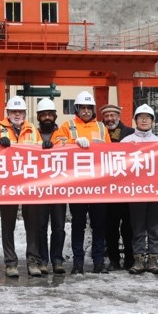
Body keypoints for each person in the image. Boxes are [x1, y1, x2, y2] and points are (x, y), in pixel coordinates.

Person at [0, 96, 43, 277]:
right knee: (8, 224)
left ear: (25, 114)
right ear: (8, 113)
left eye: (20, 112)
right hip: (7, 185)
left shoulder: (32, 129)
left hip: (29, 184)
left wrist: (47, 146)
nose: (17, 114)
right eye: (14, 111)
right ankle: (10, 263)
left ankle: (32, 261)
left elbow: (41, 151)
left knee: (32, 225)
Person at [57, 91, 108, 274]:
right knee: (78, 224)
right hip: (77, 184)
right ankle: (78, 263)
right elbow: (57, 145)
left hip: (97, 185)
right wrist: (73, 141)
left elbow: (109, 153)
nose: (86, 111)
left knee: (99, 225)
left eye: (89, 108)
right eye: (83, 108)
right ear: (77, 109)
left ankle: (99, 262)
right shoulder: (67, 126)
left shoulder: (102, 128)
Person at [122, 104, 158, 275]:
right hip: (135, 192)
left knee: (155, 227)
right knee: (137, 227)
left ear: (153, 121)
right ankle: (138, 260)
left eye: (148, 117)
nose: (144, 120)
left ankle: (153, 260)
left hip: (156, 192)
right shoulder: (126, 142)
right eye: (140, 117)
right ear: (135, 120)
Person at [35, 98, 68, 274]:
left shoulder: (63, 133)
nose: (47, 117)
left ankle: (57, 259)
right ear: (38, 117)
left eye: (50, 114)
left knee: (58, 226)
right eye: (43, 115)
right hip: (39, 189)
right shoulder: (32, 134)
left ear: (55, 116)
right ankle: (42, 260)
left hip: (58, 188)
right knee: (40, 227)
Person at [101, 102, 135, 271]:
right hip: (106, 189)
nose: (109, 119)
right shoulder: (99, 133)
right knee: (110, 226)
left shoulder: (130, 133)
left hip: (126, 187)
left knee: (128, 226)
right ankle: (113, 259)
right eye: (106, 116)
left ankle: (130, 258)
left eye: (112, 115)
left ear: (119, 117)